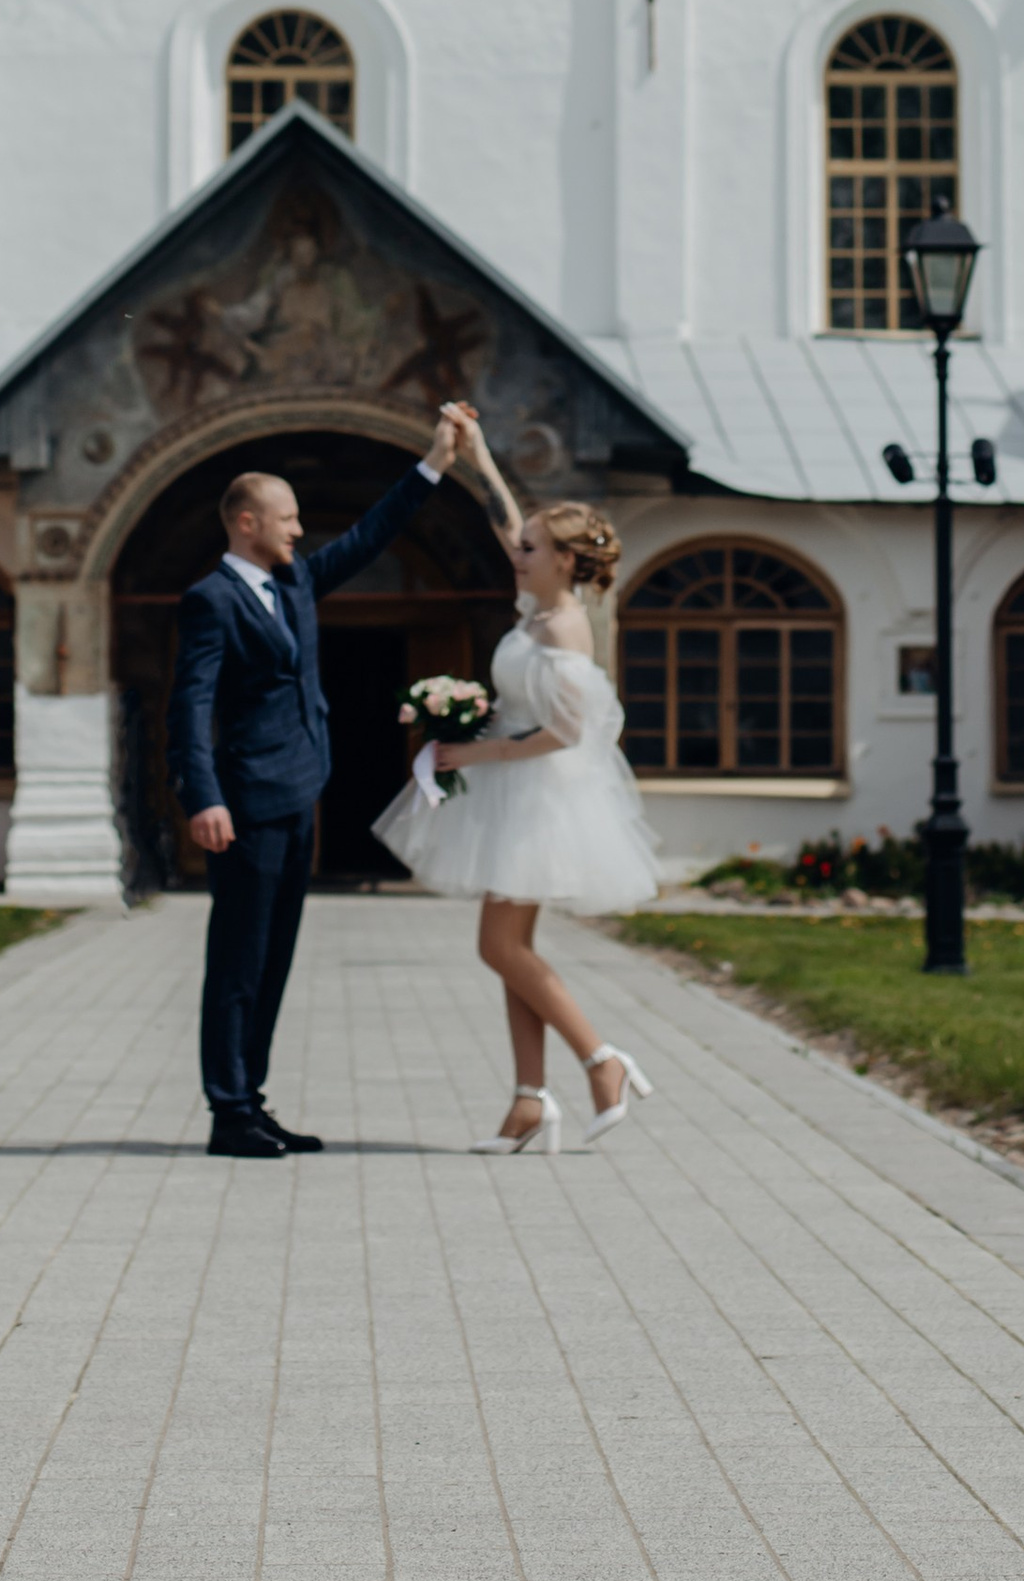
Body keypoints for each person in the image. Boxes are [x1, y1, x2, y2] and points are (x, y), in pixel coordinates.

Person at [168, 405, 470, 1158]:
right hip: (244, 805)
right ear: (245, 521)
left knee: (273, 961)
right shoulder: (211, 600)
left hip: (300, 792)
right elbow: (189, 705)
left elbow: (369, 536)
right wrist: (202, 796)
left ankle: (252, 1101)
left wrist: (434, 462)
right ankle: (227, 1112)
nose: (299, 530)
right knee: (238, 961)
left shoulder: (295, 581)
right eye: (287, 518)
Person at [372, 412, 659, 1153]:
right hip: (514, 793)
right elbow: (506, 518)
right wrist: (479, 456)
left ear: (564, 561)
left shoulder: (564, 628)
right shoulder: (536, 601)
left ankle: (602, 1061)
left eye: (530, 549)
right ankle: (530, 1102)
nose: (515, 553)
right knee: (510, 951)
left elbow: (566, 734)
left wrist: (471, 757)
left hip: (540, 800)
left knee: (501, 949)